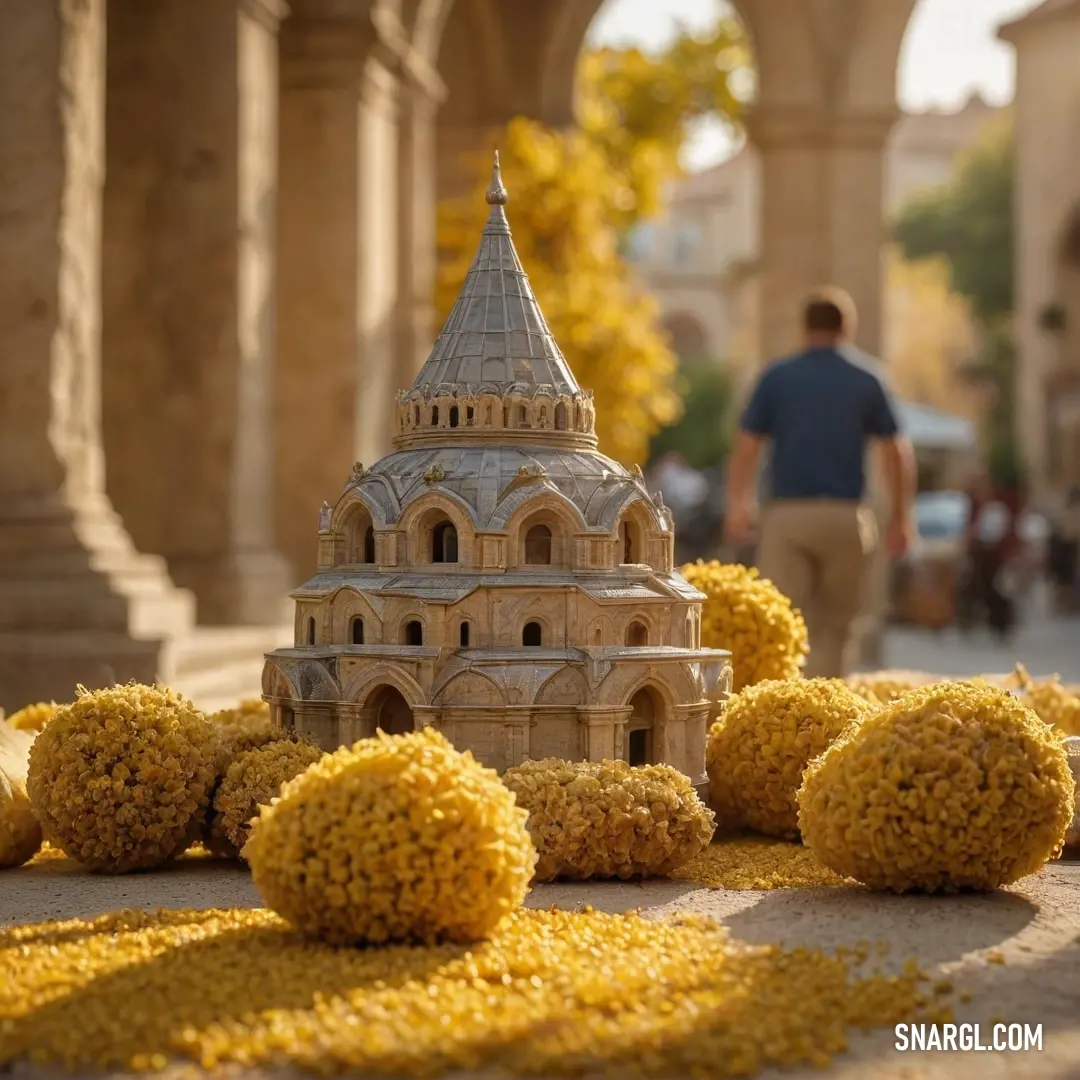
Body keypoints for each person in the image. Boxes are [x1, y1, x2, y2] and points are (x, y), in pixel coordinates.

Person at [724, 287, 916, 678]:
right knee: (838, 628)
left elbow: (747, 447)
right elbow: (896, 452)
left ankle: (782, 708)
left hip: (788, 518)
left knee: (781, 620)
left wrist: (738, 504)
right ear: (848, 327)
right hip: (847, 518)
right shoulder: (868, 378)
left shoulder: (777, 378)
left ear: (804, 327)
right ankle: (827, 714)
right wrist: (900, 517)